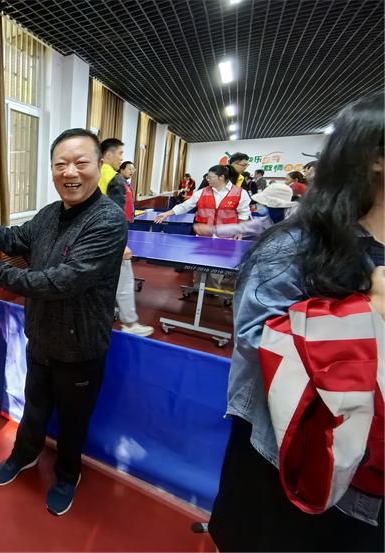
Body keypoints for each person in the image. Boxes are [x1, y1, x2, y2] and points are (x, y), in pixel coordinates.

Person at [209, 91, 385, 552]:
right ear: (375, 157)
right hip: (297, 445)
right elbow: (256, 338)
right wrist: (369, 315)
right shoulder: (295, 245)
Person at [0, 129, 126, 516]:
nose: (70, 172)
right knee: (34, 407)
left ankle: (68, 474)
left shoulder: (108, 221)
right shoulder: (50, 213)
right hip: (40, 337)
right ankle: (24, 454)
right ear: (52, 169)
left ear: (99, 166)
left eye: (81, 162)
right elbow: (16, 240)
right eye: (60, 164)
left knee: (73, 421)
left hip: (81, 346)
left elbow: (60, 282)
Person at [98, 145, 154, 336]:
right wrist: (121, 243)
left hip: (92, 238)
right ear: (108, 154)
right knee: (124, 281)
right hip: (110, 240)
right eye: (120, 153)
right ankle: (130, 324)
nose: (122, 158)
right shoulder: (114, 179)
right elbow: (115, 215)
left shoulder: (93, 175)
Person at [194, 182, 296, 238]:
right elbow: (242, 228)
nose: (264, 206)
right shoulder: (269, 219)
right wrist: (212, 230)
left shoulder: (299, 220)